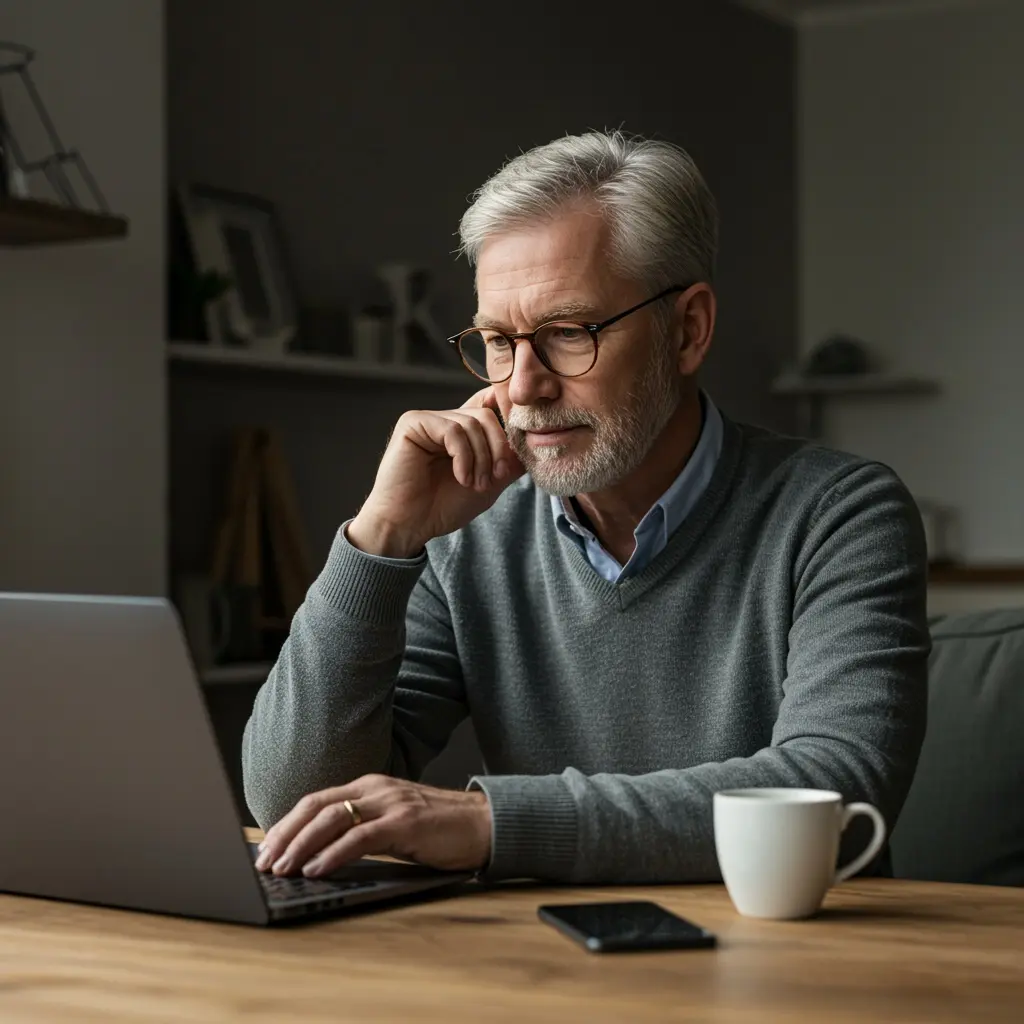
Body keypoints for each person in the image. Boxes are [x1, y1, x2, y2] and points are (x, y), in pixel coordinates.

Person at [244, 131, 929, 884]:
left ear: (688, 329)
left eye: (569, 333)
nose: (523, 387)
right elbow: (293, 805)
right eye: (499, 342)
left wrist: (492, 823)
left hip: (787, 973)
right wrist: (381, 538)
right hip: (549, 969)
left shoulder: (840, 511)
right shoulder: (467, 532)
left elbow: (831, 788)